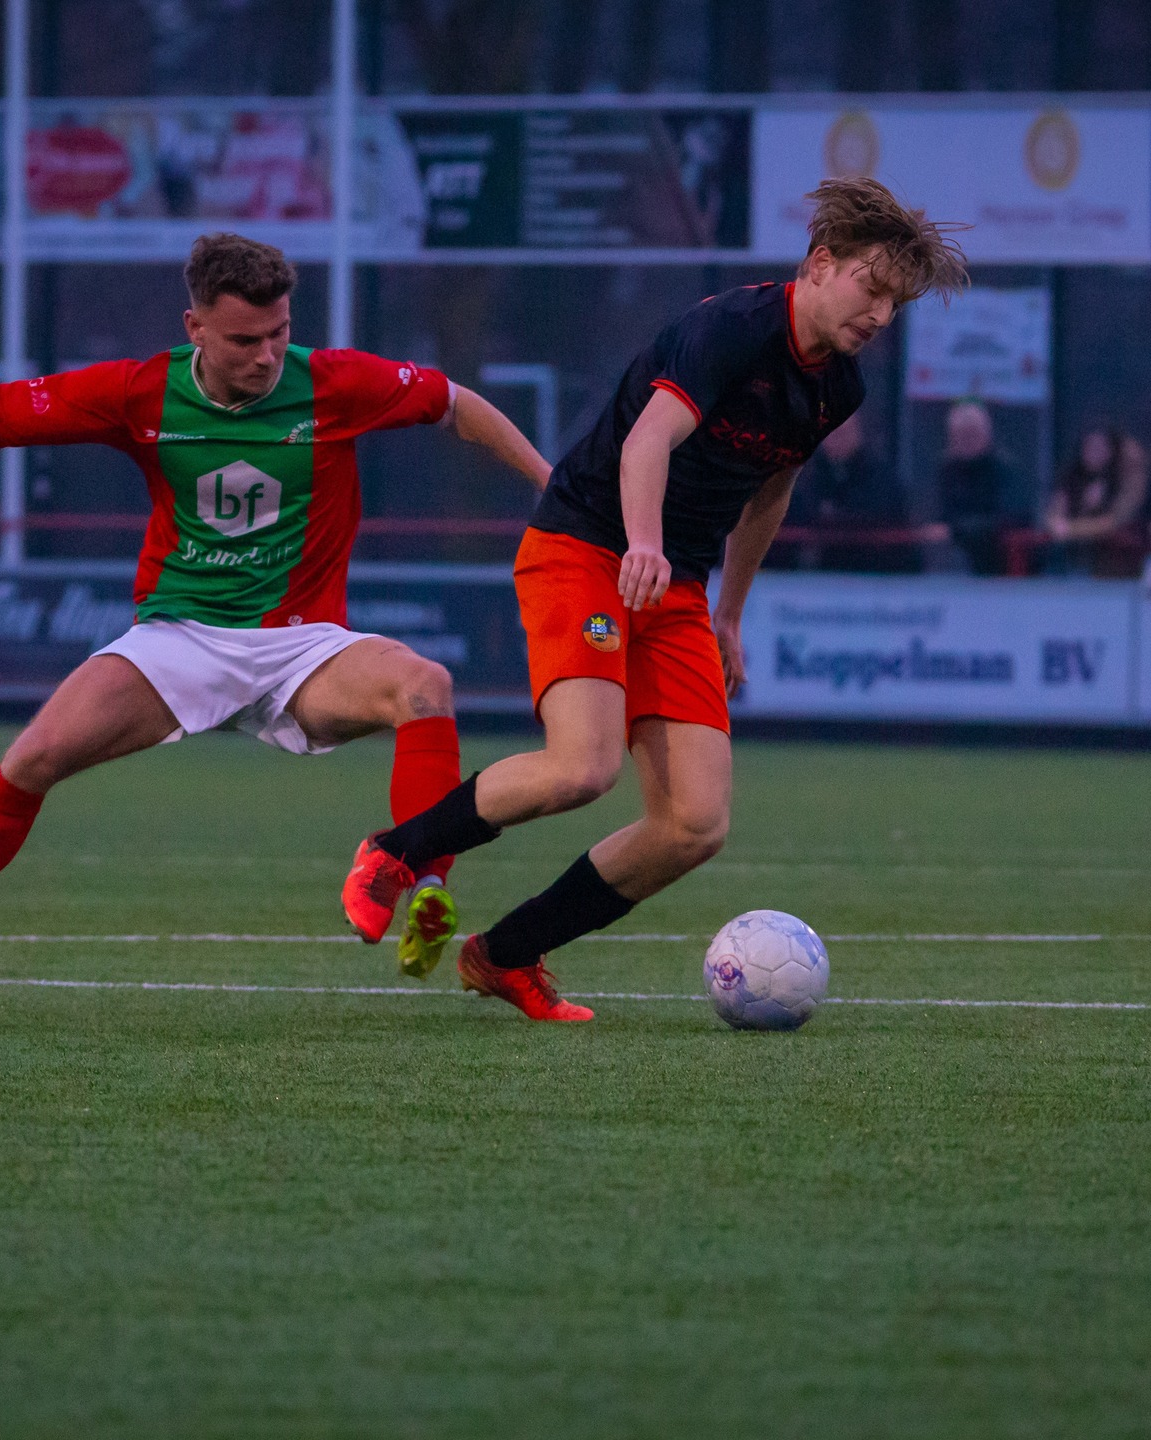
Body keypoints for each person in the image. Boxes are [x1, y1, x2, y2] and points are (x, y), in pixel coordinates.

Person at [0, 231, 550, 1005]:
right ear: (195, 326)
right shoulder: (138, 392)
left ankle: (425, 888)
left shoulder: (333, 383)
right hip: (178, 641)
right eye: (243, 340)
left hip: (302, 645)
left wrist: (550, 483)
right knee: (32, 757)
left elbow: (454, 403)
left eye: (278, 332)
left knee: (425, 684)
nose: (266, 354)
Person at [342, 177, 967, 1021]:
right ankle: (394, 852)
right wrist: (641, 541)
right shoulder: (732, 328)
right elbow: (648, 440)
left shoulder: (837, 387)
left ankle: (507, 954)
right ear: (821, 265)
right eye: (873, 288)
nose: (882, 316)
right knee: (582, 768)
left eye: (897, 304)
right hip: (587, 544)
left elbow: (770, 494)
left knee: (696, 825)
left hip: (675, 581)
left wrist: (730, 615)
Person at [792, 411, 919, 573]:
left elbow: (882, 516)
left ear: (858, 434)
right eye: (828, 434)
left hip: (877, 567)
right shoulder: (808, 476)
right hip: (826, 570)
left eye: (841, 433)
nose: (834, 440)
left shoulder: (880, 477)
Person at [1042, 427, 1148, 577]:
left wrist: (1072, 528)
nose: (1094, 452)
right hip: (1068, 558)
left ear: (1111, 451)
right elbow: (1054, 515)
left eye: (1100, 447)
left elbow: (1114, 521)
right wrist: (1058, 520)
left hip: (1109, 564)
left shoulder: (1121, 482)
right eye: (1089, 447)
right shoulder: (1071, 477)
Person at [936, 400, 1024, 576]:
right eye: (958, 435)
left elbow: (1012, 517)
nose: (965, 441)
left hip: (1001, 565)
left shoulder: (1004, 470)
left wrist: (959, 529)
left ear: (986, 435)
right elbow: (942, 516)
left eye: (971, 434)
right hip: (954, 563)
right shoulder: (948, 471)